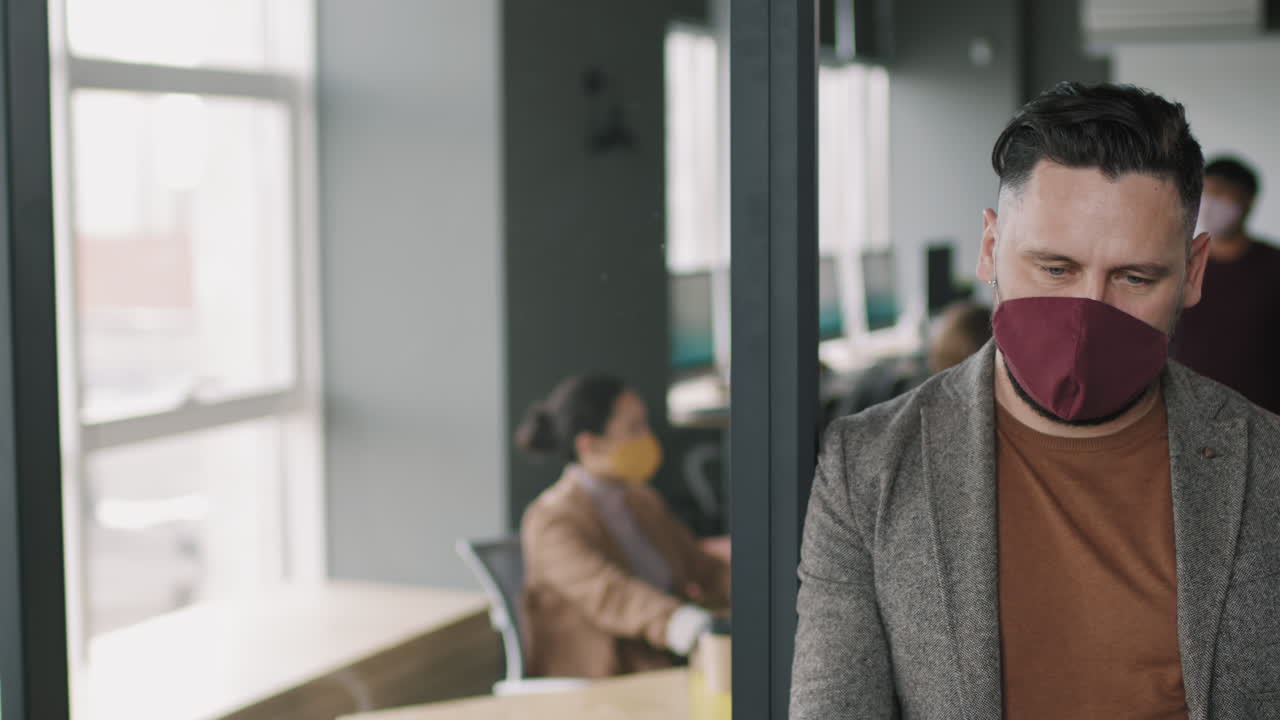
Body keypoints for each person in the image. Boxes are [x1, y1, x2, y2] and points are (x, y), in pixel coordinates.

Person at [792, 82, 1280, 719]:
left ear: (1192, 273)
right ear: (992, 248)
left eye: (1134, 277)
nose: (1088, 313)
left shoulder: (1267, 465)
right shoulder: (868, 467)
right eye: (1055, 269)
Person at [515, 374, 730, 678]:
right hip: (606, 679)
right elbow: (609, 593)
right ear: (589, 445)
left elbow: (701, 566)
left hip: (666, 663)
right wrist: (677, 622)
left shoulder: (642, 501)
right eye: (633, 428)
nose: (646, 438)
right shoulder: (550, 520)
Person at [1173, 156, 1280, 415]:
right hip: (1180, 409)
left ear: (1248, 201)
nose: (1212, 204)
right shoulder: (1177, 260)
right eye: (1207, 193)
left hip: (1257, 415)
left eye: (1223, 195)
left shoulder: (1273, 266)